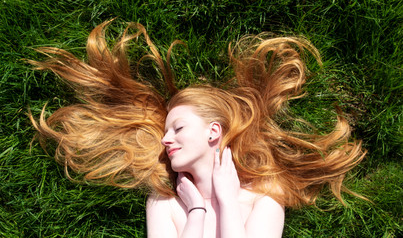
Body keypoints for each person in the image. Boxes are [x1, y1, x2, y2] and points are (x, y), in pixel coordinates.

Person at [29, 20, 366, 238]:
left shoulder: (265, 200)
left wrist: (225, 202)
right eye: (166, 130)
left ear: (213, 132)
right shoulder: (162, 203)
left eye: (177, 127)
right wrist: (197, 211)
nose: (164, 138)